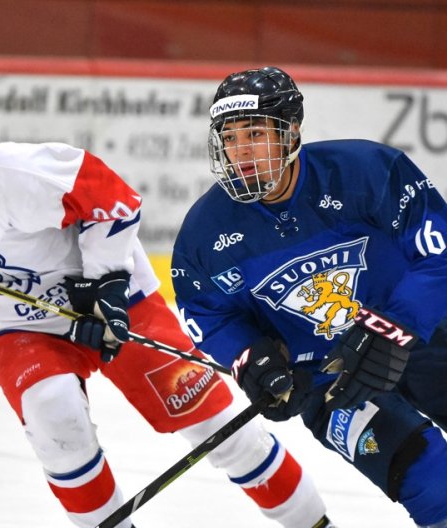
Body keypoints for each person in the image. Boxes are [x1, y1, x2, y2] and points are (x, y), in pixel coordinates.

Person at [0, 73, 335, 528]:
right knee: (53, 416)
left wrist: (105, 287)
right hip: (20, 327)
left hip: (117, 306)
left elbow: (114, 199)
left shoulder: (20, 173)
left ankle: (311, 521)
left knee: (217, 428)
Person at [171, 65, 447, 528]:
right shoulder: (204, 233)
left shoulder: (365, 171)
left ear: (291, 131)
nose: (241, 152)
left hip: (423, 337)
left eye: (255, 133)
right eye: (231, 137)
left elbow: (439, 248)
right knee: (433, 481)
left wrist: (396, 326)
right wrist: (254, 360)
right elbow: (208, 313)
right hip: (327, 379)